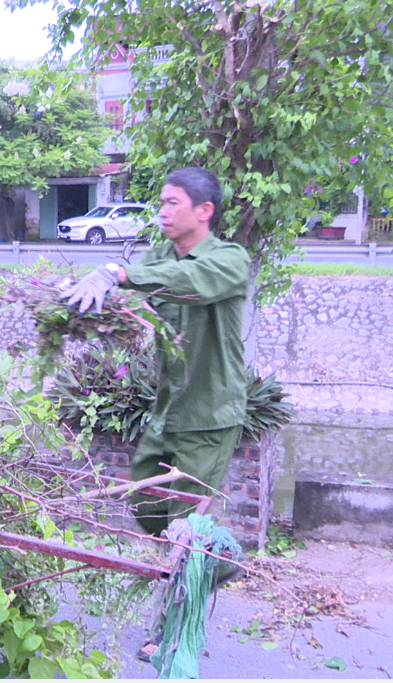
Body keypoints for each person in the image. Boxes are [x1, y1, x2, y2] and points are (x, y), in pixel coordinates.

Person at [62, 167, 250, 535]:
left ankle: (206, 571)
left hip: (210, 412)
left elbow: (191, 283)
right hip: (169, 407)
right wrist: (84, 298)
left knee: (188, 521)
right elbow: (133, 296)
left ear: (204, 210)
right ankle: (189, 564)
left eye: (173, 203)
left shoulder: (230, 259)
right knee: (146, 501)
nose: (162, 211)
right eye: (162, 202)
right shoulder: (161, 256)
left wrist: (119, 274)